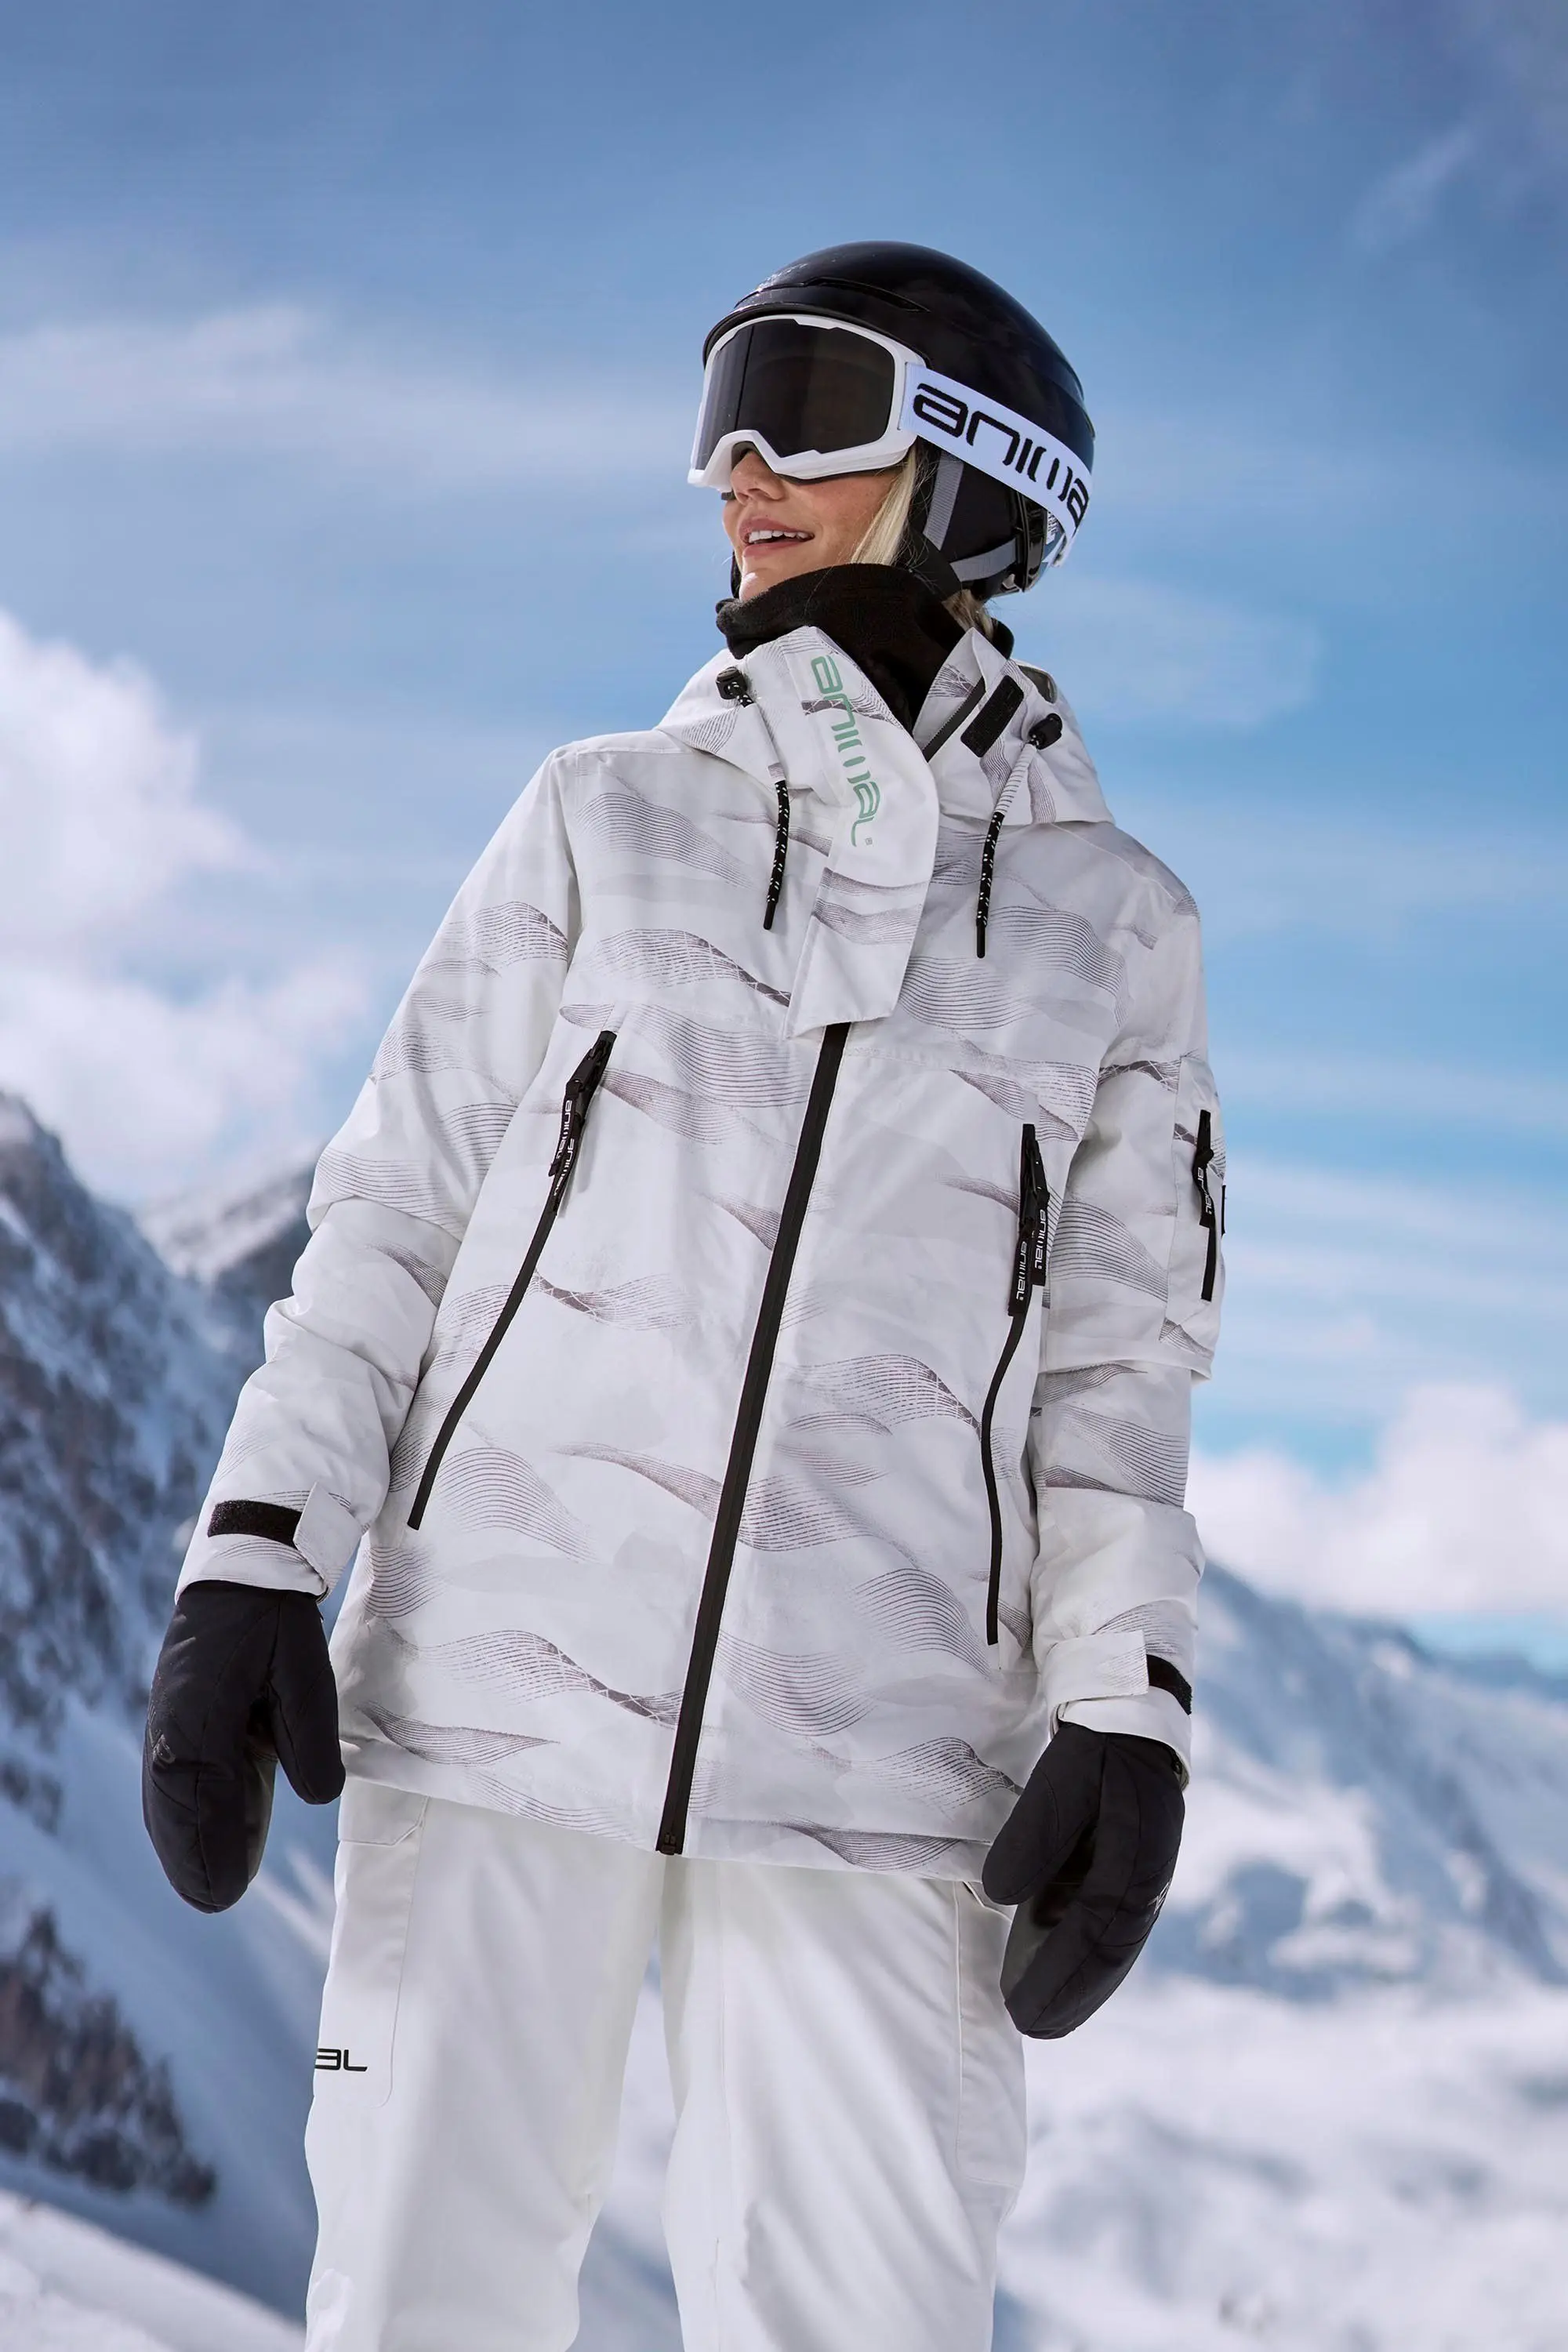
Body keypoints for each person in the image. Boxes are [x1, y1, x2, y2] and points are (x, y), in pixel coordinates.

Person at [143, 241, 1224, 2352]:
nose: (739, 466)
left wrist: (1129, 1706)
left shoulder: (1113, 931)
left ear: (976, 476)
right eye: (724, 409)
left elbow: (1120, 1373)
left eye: (805, 407)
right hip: (498, 1696)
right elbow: (396, 1213)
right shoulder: (601, 818)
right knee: (420, 2306)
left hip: (894, 1762)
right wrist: (258, 1553)